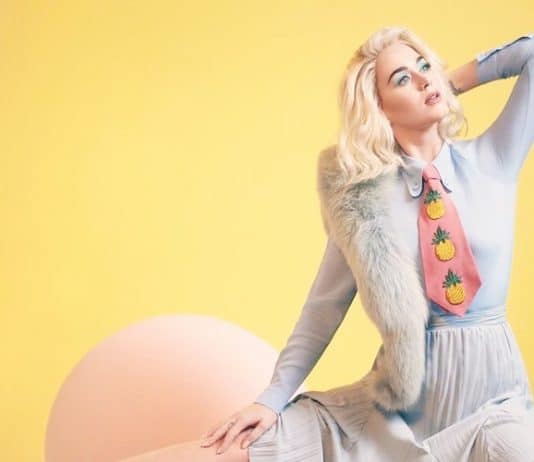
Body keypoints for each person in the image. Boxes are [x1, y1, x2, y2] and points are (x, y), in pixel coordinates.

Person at [172, 26, 534, 461]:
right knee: (227, 453)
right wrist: (271, 399)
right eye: (402, 79)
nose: (423, 79)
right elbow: (323, 307)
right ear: (378, 107)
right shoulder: (363, 203)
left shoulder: (493, 159)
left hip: (494, 405)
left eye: (424, 65)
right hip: (393, 414)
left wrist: (446, 83)